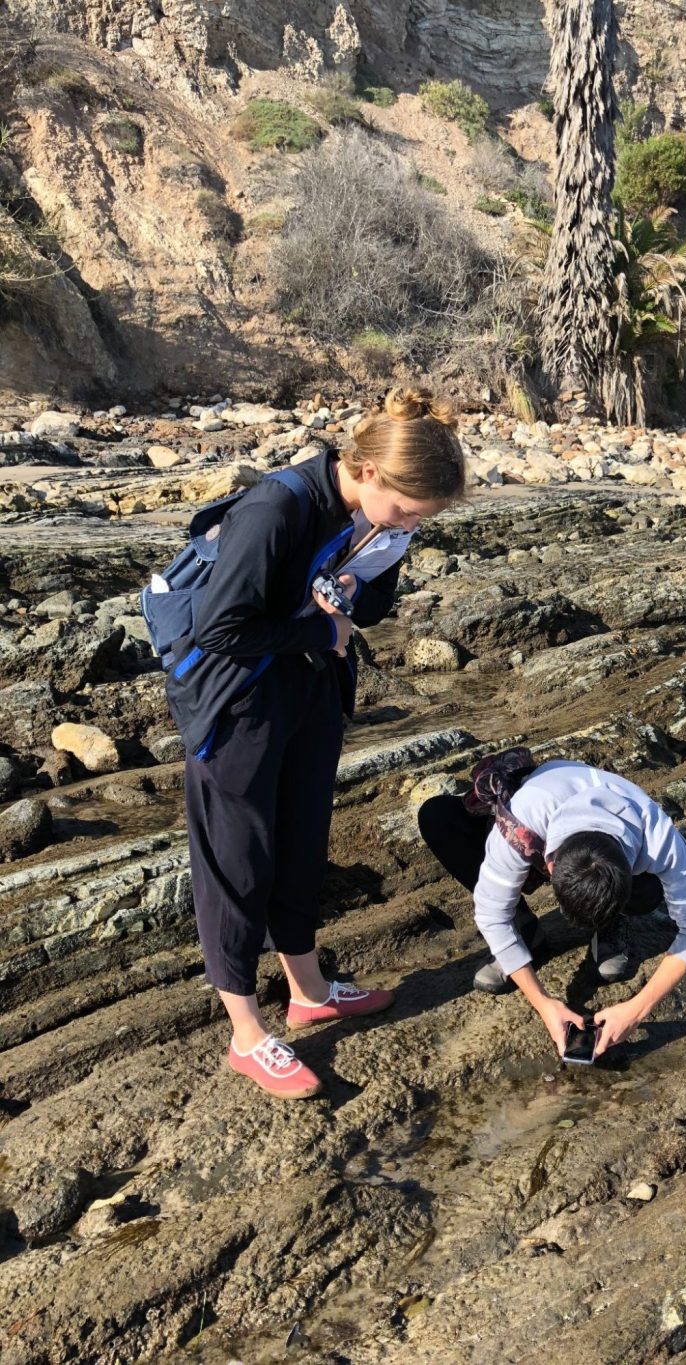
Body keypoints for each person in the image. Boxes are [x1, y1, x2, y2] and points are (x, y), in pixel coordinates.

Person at [174, 388, 465, 1099]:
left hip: (309, 687)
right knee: (239, 858)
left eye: (422, 519)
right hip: (235, 699)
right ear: (367, 470)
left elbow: (374, 604)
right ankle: (247, 1032)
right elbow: (221, 628)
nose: (412, 525)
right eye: (408, 511)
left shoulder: (375, 516)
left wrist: (366, 575)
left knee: (303, 841)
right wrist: (324, 629)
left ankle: (308, 991)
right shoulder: (276, 508)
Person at [418, 754, 686, 1059]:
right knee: (438, 816)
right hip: (544, 807)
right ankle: (525, 932)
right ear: (547, 866)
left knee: (649, 890)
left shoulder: (658, 836)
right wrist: (543, 1003)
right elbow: (490, 913)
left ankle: (611, 923)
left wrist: (636, 1010)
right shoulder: (520, 823)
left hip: (620, 844)